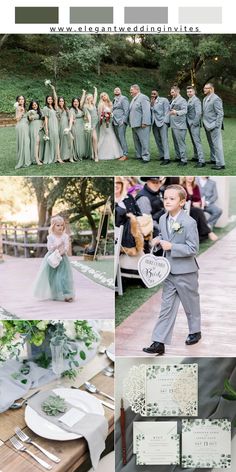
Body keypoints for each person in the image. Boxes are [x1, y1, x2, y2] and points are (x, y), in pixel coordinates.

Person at [143, 184, 201, 355]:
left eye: (172, 198)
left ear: (182, 202)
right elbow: (167, 236)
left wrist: (172, 246)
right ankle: (158, 341)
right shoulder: (162, 219)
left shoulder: (189, 222)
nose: (167, 201)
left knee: (190, 304)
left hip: (186, 271)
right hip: (169, 270)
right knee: (166, 307)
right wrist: (158, 239)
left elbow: (193, 248)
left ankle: (195, 331)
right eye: (165, 198)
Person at [33, 215, 75, 302]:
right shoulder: (51, 237)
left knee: (63, 277)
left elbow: (66, 248)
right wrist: (56, 246)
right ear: (53, 226)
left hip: (62, 258)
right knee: (52, 277)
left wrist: (61, 253)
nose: (60, 227)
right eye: (58, 225)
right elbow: (50, 248)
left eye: (61, 225)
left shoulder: (65, 236)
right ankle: (55, 294)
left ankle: (67, 294)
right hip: (52, 258)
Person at [181, 176, 218, 242]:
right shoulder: (181, 187)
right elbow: (181, 200)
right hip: (184, 208)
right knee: (198, 211)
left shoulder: (195, 187)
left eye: (192, 176)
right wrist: (192, 203)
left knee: (197, 211)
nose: (190, 177)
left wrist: (199, 203)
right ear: (185, 177)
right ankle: (209, 232)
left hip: (195, 209)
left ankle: (198, 236)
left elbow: (199, 199)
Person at [202, 83, 225, 170]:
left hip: (214, 125)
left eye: (206, 88)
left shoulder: (216, 99)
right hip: (207, 125)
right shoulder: (205, 98)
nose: (204, 90)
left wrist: (216, 125)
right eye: (204, 88)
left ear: (211, 89)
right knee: (211, 144)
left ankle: (220, 164)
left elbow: (220, 113)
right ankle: (213, 159)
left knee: (217, 145)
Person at [128, 84, 151, 163]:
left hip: (142, 125)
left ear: (137, 90)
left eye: (132, 90)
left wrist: (144, 122)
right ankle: (139, 155)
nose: (130, 91)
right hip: (134, 124)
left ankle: (146, 157)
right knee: (136, 141)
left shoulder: (143, 97)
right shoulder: (134, 99)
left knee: (144, 141)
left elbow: (146, 111)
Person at [97, 92, 123, 160]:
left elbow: (112, 112)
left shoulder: (110, 103)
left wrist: (110, 116)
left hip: (110, 122)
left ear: (107, 95)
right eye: (102, 96)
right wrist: (104, 119)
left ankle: (114, 152)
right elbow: (100, 115)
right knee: (107, 134)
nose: (103, 97)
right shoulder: (101, 104)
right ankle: (100, 152)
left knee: (111, 134)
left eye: (104, 95)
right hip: (104, 123)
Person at [42, 84, 64, 164]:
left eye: (51, 99)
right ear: (46, 100)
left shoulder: (55, 107)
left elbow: (56, 98)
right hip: (51, 125)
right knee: (53, 141)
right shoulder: (45, 108)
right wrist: (47, 129)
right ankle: (57, 157)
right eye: (48, 99)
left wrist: (53, 89)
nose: (50, 100)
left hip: (56, 125)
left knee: (57, 140)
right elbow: (46, 118)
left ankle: (57, 157)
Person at [186, 86, 205, 168]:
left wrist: (194, 123)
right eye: (188, 92)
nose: (189, 93)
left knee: (197, 141)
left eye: (190, 91)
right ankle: (196, 156)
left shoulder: (196, 100)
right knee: (194, 141)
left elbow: (199, 113)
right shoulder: (189, 99)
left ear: (194, 92)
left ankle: (202, 160)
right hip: (189, 123)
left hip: (194, 124)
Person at [150, 89, 170, 165]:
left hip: (162, 122)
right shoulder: (151, 101)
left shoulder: (164, 100)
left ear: (158, 93)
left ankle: (167, 158)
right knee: (157, 140)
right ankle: (162, 155)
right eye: (152, 93)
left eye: (154, 93)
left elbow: (167, 111)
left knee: (164, 140)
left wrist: (165, 121)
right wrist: (151, 104)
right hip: (154, 123)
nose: (153, 94)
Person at [169, 86, 188, 166]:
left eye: (173, 92)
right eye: (171, 92)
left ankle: (184, 160)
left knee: (181, 143)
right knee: (176, 142)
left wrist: (176, 112)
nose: (171, 93)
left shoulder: (182, 100)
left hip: (180, 125)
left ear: (177, 92)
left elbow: (185, 110)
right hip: (174, 124)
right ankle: (178, 156)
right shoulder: (173, 99)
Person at [112, 87, 129, 161]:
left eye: (118, 89)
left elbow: (126, 110)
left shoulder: (124, 98)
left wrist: (123, 120)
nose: (116, 91)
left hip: (121, 122)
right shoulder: (114, 100)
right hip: (114, 121)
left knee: (122, 138)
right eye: (115, 90)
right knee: (118, 138)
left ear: (120, 91)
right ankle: (120, 153)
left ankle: (125, 154)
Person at [15, 95, 31, 169]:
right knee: (23, 143)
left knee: (26, 142)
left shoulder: (24, 107)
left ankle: (26, 160)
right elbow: (17, 119)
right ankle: (22, 161)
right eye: (20, 99)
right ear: (18, 101)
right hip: (21, 127)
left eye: (22, 99)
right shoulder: (18, 108)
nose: (21, 100)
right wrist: (21, 113)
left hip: (25, 126)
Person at [69, 94, 87, 161]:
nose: (75, 103)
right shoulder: (72, 110)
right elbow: (71, 119)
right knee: (77, 140)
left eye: (77, 101)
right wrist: (70, 128)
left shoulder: (80, 109)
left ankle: (81, 154)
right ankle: (77, 155)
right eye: (74, 102)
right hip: (75, 126)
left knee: (81, 140)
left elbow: (84, 116)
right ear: (72, 103)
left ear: (79, 102)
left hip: (81, 125)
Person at [83, 87, 99, 161]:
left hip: (97, 122)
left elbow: (96, 96)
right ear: (88, 98)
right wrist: (89, 124)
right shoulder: (85, 106)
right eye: (90, 97)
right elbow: (88, 115)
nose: (92, 98)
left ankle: (93, 153)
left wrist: (95, 89)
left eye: (92, 97)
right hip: (91, 123)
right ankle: (96, 155)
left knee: (94, 139)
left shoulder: (94, 104)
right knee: (94, 138)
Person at [57, 95, 74, 162]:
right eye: (60, 101)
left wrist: (69, 127)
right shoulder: (57, 108)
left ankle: (70, 157)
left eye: (62, 101)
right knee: (62, 141)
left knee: (69, 140)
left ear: (64, 102)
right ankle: (62, 157)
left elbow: (70, 118)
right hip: (60, 126)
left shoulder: (67, 109)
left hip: (66, 126)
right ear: (58, 102)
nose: (61, 102)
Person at [27, 100, 44, 166]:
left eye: (35, 104)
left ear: (37, 105)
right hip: (33, 128)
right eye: (33, 105)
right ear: (31, 106)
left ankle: (40, 157)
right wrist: (32, 113)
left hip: (40, 129)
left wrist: (42, 126)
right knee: (36, 142)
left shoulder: (40, 111)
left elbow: (43, 119)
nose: (34, 106)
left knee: (40, 142)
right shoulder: (30, 112)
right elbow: (30, 119)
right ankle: (36, 159)